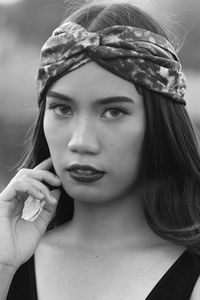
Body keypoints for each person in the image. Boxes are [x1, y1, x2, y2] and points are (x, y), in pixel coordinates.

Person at [1, 1, 200, 299]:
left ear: (159, 123)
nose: (80, 142)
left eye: (114, 112)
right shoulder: (11, 258)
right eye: (62, 108)